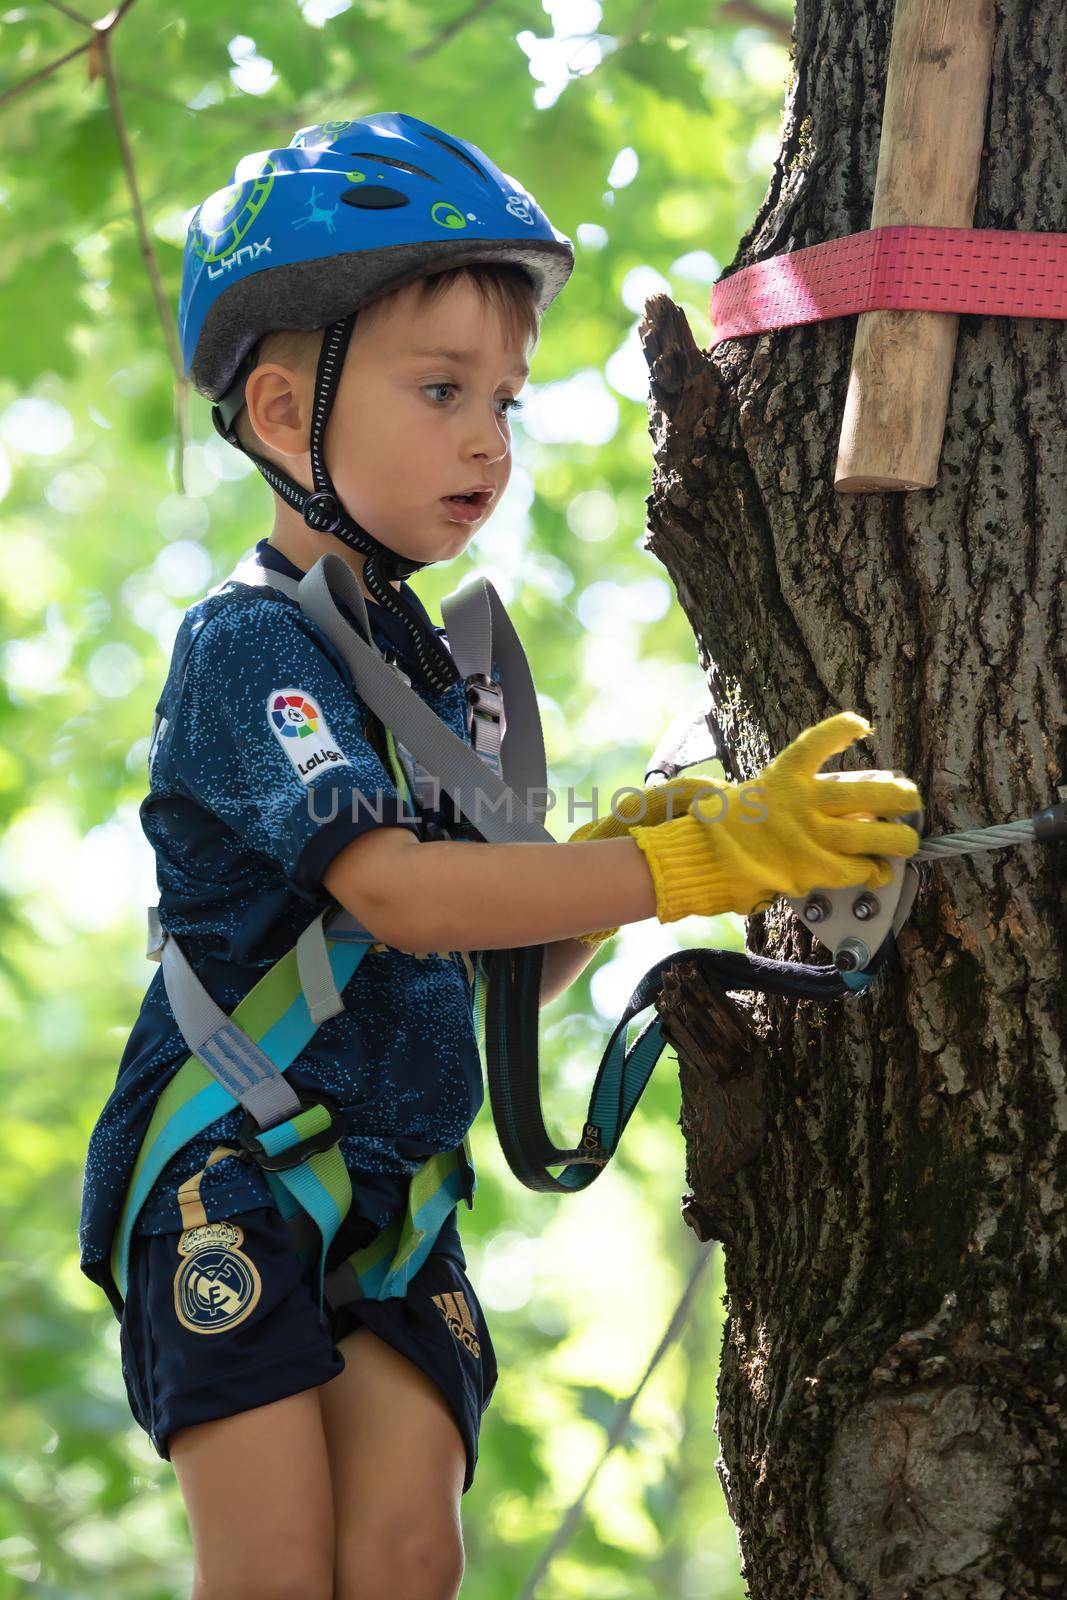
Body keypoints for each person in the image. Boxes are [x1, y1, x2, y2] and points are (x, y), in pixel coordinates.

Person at [78, 112, 924, 1599]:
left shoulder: (423, 669)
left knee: (405, 1559)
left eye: (509, 403)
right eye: (441, 389)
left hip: (398, 1190)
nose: (489, 439)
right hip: (231, 1174)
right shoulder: (252, 643)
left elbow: (475, 973)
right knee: (276, 1568)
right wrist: (701, 864)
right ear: (284, 416)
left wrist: (611, 867)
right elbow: (398, 895)